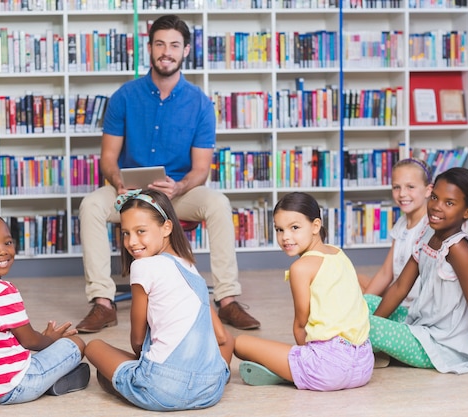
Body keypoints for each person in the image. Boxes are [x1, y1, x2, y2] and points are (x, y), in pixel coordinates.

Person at [77, 14, 259, 333]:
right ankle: (102, 302)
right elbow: (108, 158)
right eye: (160, 43)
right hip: (130, 191)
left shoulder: (200, 104)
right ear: (149, 48)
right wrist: (118, 182)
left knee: (218, 203)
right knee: (91, 205)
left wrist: (180, 186)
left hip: (178, 193)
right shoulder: (123, 97)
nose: (167, 51)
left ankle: (228, 299)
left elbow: (200, 169)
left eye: (174, 45)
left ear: (186, 50)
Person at [84, 189, 233, 411]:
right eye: (125, 233)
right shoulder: (191, 268)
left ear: (167, 227)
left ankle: (132, 386)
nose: (131, 242)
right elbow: (222, 337)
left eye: (140, 231)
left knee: (94, 347)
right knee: (223, 346)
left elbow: (136, 341)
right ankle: (206, 376)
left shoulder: (143, 266)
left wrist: (143, 367)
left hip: (162, 389)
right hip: (210, 391)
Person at [234, 192, 374, 391]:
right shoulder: (338, 253)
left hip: (329, 370)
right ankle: (290, 372)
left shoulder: (300, 268)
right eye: (279, 230)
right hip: (363, 365)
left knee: (240, 343)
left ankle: (292, 374)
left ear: (316, 226)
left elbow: (300, 325)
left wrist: (306, 357)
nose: (286, 237)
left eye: (295, 228)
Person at [0, 211, 89, 405]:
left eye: (7, 242)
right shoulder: (2, 291)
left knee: (38, 354)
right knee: (77, 344)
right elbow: (29, 341)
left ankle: (53, 381)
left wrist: (42, 341)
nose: (2, 251)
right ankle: (48, 383)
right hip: (11, 387)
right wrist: (50, 340)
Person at [368, 167, 468, 374]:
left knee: (362, 325)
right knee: (364, 304)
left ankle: (347, 355)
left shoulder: (459, 249)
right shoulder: (428, 233)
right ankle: (369, 350)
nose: (436, 207)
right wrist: (374, 323)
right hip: (422, 324)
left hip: (443, 345)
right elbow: (400, 286)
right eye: (435, 197)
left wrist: (370, 328)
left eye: (449, 203)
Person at [359, 158, 432, 315]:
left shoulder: (430, 226)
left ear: (428, 190)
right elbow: (386, 273)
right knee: (354, 279)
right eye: (396, 187)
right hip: (398, 298)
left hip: (414, 308)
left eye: (410, 187)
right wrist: (362, 304)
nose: (402, 194)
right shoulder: (401, 222)